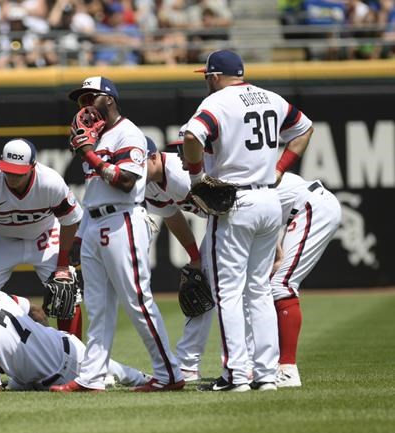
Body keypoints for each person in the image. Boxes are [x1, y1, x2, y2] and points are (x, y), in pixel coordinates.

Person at [182, 50, 313, 392]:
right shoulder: (271, 97)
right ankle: (266, 375)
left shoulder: (219, 102)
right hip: (270, 199)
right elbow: (304, 128)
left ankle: (237, 376)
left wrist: (196, 178)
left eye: (206, 76)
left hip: (234, 200)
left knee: (228, 292)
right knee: (258, 291)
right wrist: (280, 168)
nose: (205, 81)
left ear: (214, 75)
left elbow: (193, 136)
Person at [50, 76, 184, 392]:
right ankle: (92, 377)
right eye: (80, 100)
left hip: (123, 219)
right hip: (96, 222)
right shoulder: (93, 137)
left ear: (108, 99)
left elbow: (125, 180)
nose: (84, 105)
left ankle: (170, 374)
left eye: (90, 98)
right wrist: (79, 237)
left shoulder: (129, 133)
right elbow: (95, 190)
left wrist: (90, 155)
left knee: (137, 300)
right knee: (98, 307)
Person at [0, 286, 149, 391]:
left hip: (58, 376)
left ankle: (112, 379)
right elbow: (36, 311)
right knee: (123, 372)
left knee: (120, 376)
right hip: (63, 343)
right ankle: (141, 377)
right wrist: (41, 341)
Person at [0, 138, 83, 337]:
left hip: (44, 235)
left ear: (32, 166)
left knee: (67, 293)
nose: (11, 176)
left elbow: (70, 222)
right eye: (7, 170)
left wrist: (62, 266)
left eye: (18, 172)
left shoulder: (50, 182)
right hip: (0, 237)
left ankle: (73, 358)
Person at [144, 133, 210, 383]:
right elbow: (172, 216)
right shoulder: (149, 182)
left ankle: (253, 362)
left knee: (235, 290)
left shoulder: (181, 174)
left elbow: (228, 202)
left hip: (247, 216)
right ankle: (189, 364)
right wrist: (195, 256)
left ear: (152, 157)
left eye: (136, 162)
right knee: (202, 286)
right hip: (221, 223)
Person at [268, 171, 342, 387]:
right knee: (271, 284)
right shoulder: (234, 169)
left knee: (281, 284)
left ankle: (288, 370)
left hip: (311, 207)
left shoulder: (236, 172)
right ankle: (270, 364)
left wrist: (278, 254)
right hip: (302, 208)